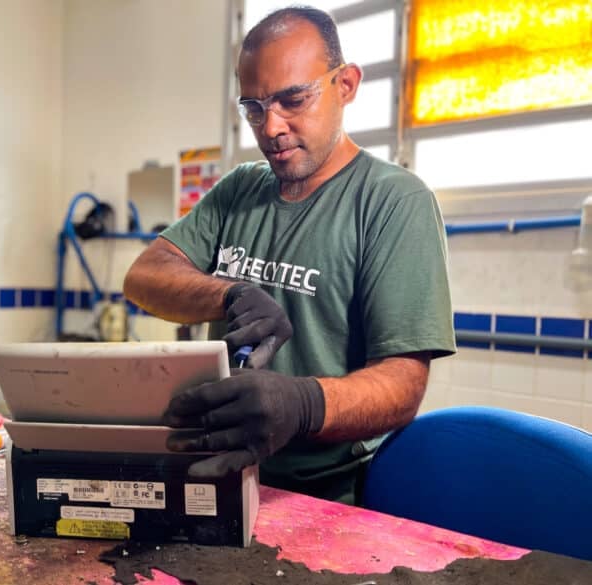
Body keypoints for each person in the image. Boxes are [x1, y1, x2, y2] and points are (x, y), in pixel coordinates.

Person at [124, 7, 456, 503]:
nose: (271, 127)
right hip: (220, 479)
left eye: (293, 100)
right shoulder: (240, 189)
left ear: (345, 85)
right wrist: (229, 294)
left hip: (329, 496)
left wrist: (302, 404)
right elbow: (144, 277)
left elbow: (404, 383)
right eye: (254, 108)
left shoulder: (394, 200)